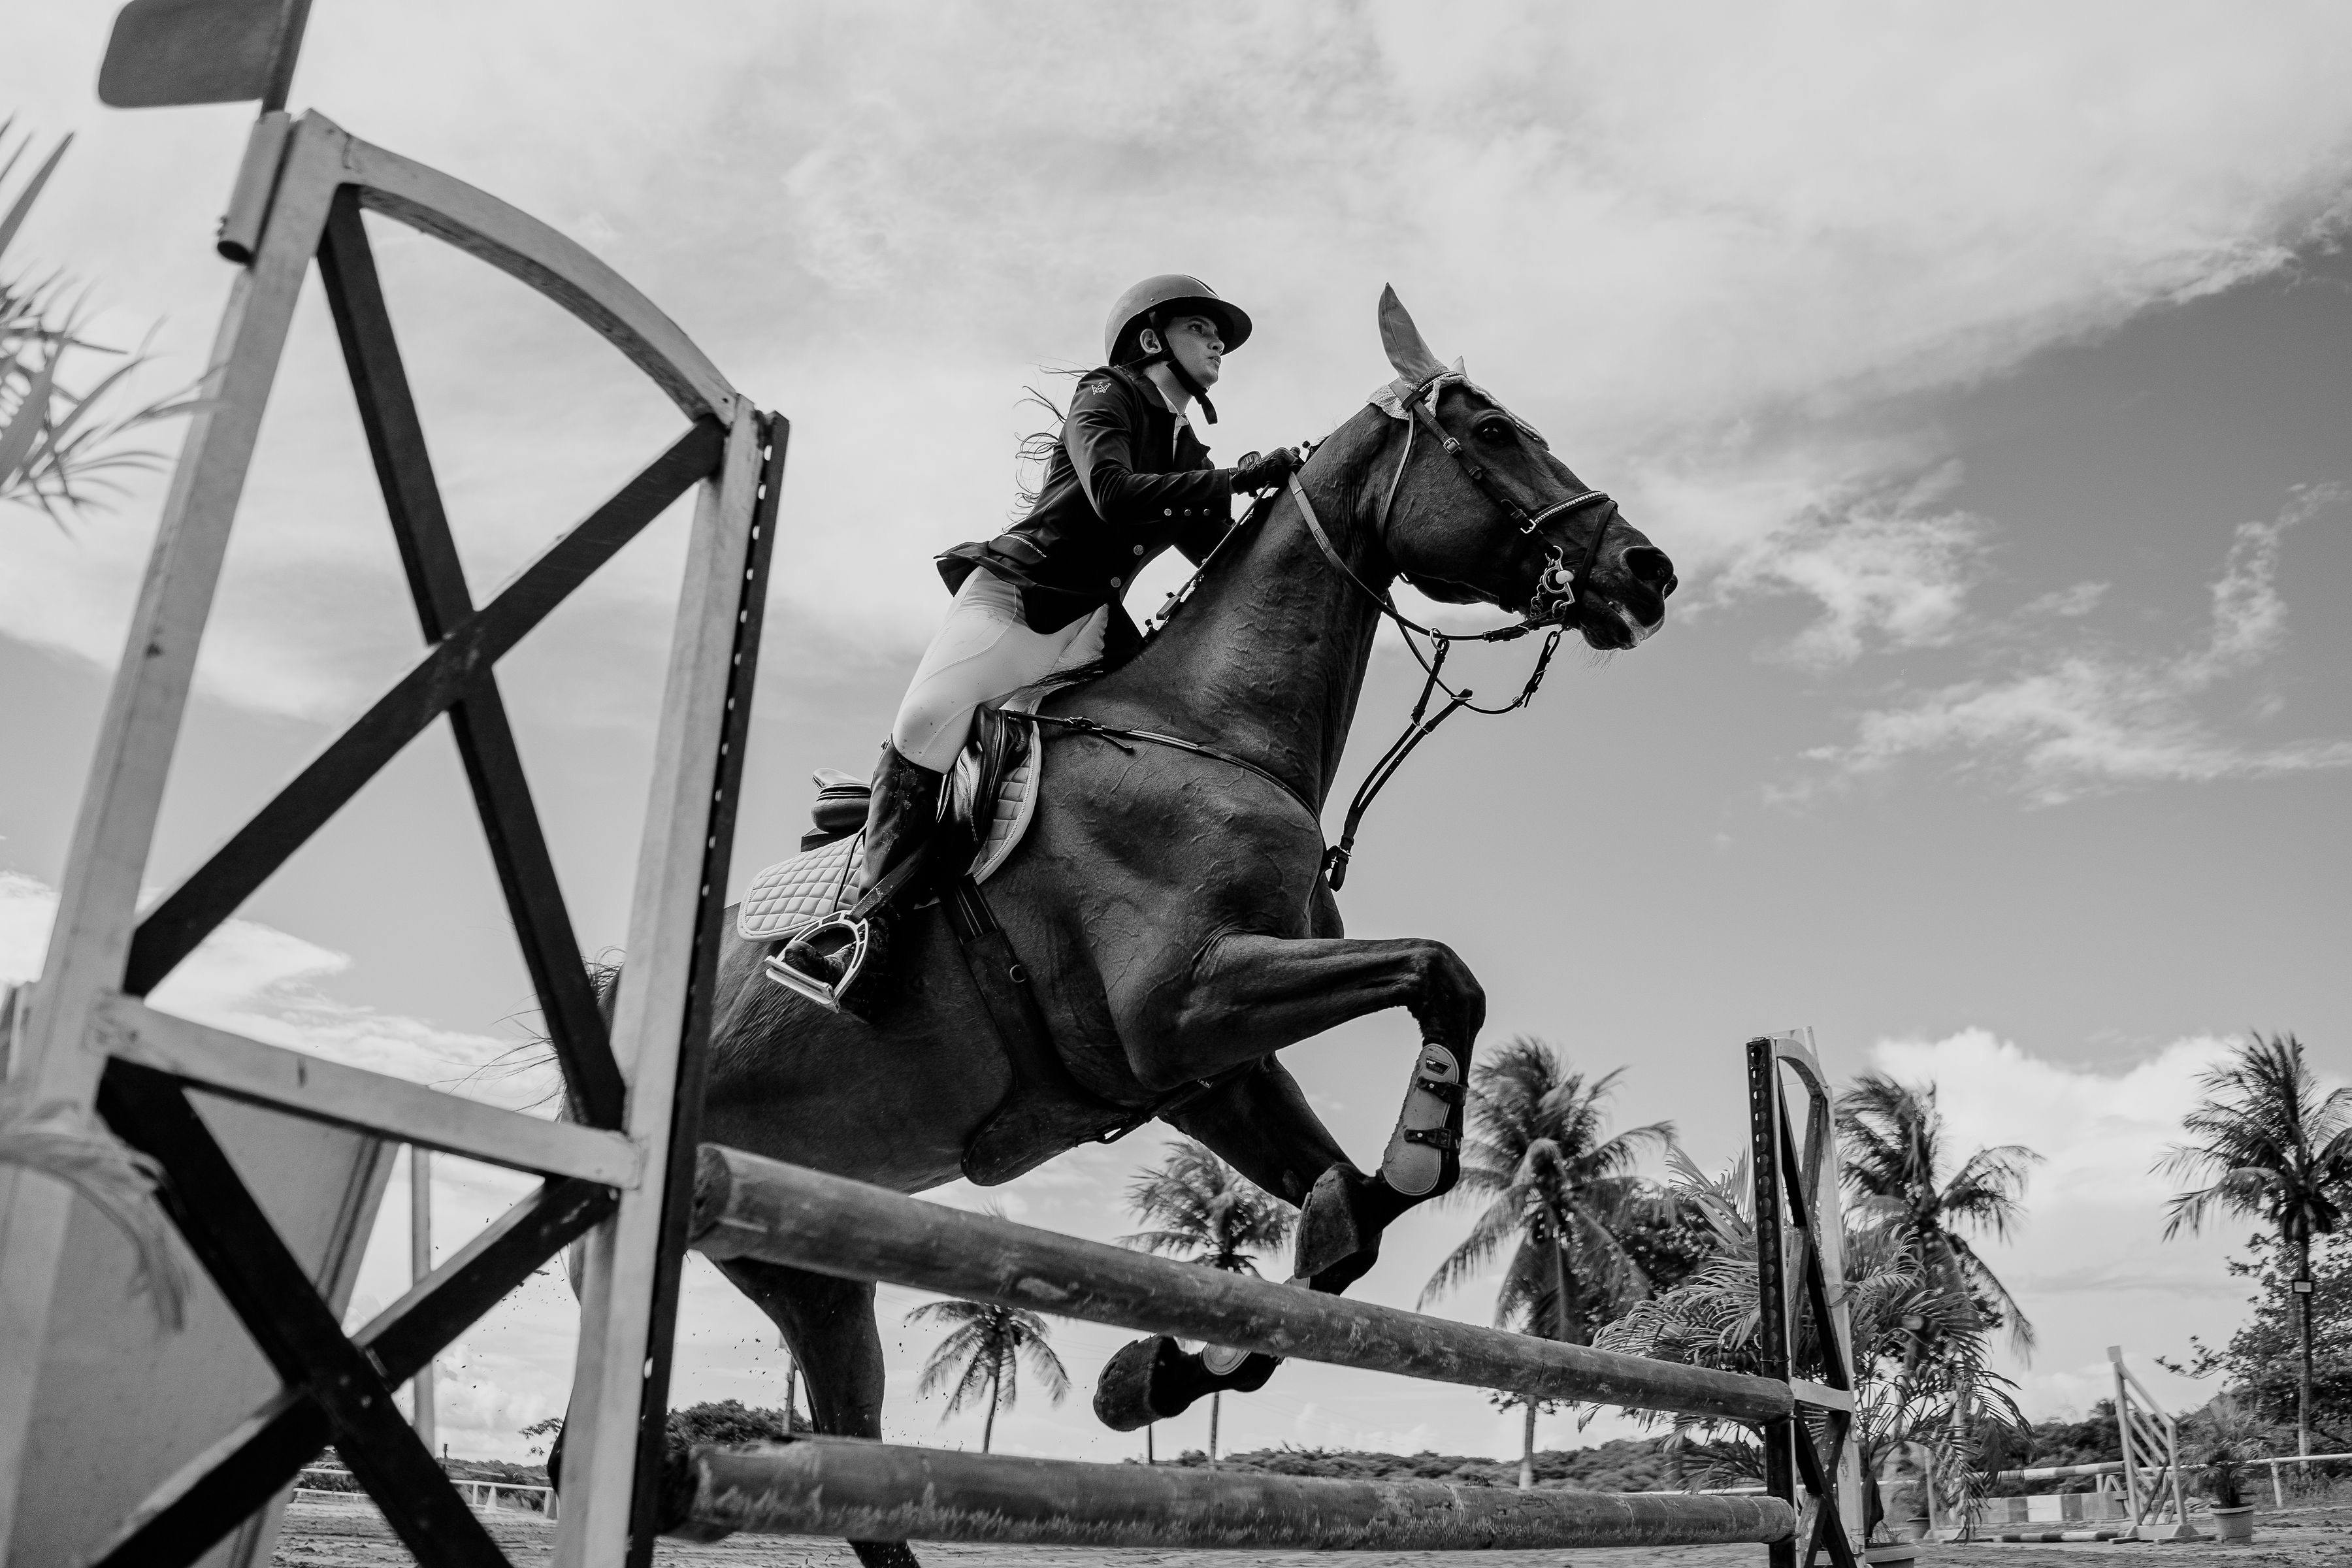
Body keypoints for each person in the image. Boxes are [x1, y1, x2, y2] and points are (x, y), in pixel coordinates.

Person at [777, 275, 1303, 1007]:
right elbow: (1112, 494)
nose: (1219, 341)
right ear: (1153, 340)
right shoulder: (1106, 395)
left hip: (1091, 629)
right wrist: (1237, 477)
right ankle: (861, 924)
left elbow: (1222, 558)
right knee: (925, 723)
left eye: (1219, 334)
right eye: (1201, 327)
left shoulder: (1186, 444)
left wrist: (1298, 515)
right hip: (1017, 605)